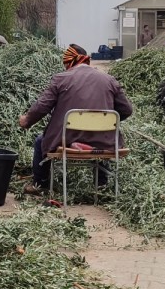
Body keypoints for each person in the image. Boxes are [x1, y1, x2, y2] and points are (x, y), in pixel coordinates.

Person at [19, 43, 133, 193]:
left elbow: (42, 106)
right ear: (86, 61)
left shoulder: (60, 79)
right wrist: (105, 123)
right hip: (104, 141)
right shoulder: (109, 80)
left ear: (69, 62)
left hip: (68, 139)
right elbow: (127, 110)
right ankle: (101, 184)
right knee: (102, 138)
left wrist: (26, 121)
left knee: (40, 141)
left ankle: (40, 184)